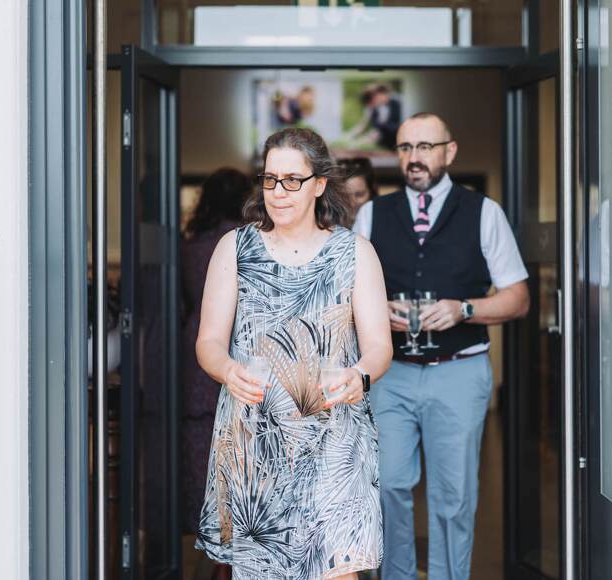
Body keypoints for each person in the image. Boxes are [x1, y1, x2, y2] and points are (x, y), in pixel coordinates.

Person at [195, 127, 393, 580]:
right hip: (256, 442)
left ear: (319, 184)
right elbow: (208, 343)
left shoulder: (355, 252)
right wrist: (227, 369)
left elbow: (380, 347)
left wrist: (360, 375)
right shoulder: (235, 249)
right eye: (270, 179)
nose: (278, 192)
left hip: (334, 440)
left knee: (337, 571)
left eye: (291, 180)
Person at [352, 112, 530, 580]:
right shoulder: (371, 215)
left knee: (454, 496)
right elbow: (345, 293)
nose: (415, 157)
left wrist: (464, 309)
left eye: (425, 147)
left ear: (449, 152)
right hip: (391, 373)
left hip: (459, 371)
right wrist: (376, 309)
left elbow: (518, 298)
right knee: (388, 485)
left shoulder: (484, 212)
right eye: (406, 147)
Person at [180, 168, 251, 542]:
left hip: (199, 336)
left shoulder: (192, 245)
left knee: (199, 447)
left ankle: (212, 539)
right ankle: (235, 538)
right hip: (241, 339)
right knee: (241, 452)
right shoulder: (245, 243)